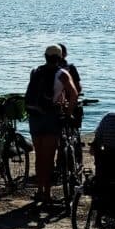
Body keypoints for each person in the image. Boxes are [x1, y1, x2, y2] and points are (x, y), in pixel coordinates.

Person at [25, 45, 78, 204]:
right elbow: (74, 94)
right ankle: (46, 194)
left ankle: (39, 190)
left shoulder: (35, 71)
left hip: (34, 116)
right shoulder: (62, 73)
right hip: (51, 117)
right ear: (60, 57)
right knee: (48, 158)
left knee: (39, 155)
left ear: (45, 56)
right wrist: (68, 113)